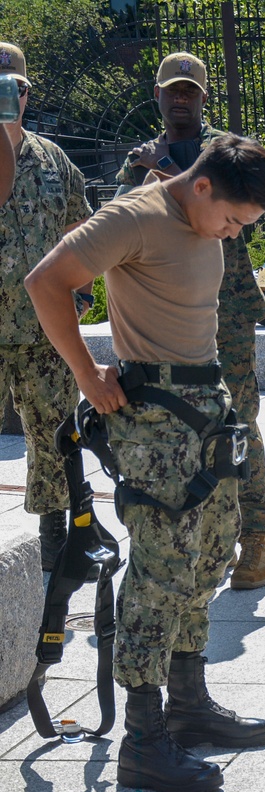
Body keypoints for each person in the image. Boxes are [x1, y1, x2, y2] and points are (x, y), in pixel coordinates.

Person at [26, 133, 265, 792]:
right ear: (202, 186)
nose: (233, 232)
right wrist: (87, 377)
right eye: (233, 219)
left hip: (207, 404)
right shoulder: (133, 217)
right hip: (156, 419)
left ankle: (189, 704)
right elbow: (45, 281)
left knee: (209, 556)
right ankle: (143, 742)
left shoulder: (201, 215)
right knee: (160, 570)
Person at [116, 51, 265, 589]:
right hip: (168, 315)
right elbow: (119, 228)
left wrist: (165, 172)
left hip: (227, 310)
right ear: (159, 97)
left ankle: (256, 537)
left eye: (189, 91)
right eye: (171, 91)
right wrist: (146, 170)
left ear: (203, 97)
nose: (180, 99)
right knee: (179, 424)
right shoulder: (137, 160)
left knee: (240, 419)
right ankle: (202, 528)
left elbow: (243, 224)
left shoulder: (228, 153)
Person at [0, 42, 92, 571]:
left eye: (13, 88)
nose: (7, 98)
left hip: (44, 331)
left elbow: (81, 225)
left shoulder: (52, 158)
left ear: (27, 95)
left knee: (55, 436)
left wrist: (80, 294)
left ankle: (55, 544)